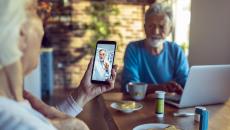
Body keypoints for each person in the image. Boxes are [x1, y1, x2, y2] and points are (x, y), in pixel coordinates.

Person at [0, 0, 117, 129]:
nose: (43, 29)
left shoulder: (11, 107)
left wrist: (83, 94)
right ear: (20, 35)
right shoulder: (20, 123)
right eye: (39, 12)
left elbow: (47, 123)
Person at [121, 3, 189, 95]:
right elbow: (129, 86)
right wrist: (160, 88)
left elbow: (185, 82)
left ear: (169, 30)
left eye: (161, 27)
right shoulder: (133, 49)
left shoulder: (176, 51)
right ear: (145, 28)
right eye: (151, 26)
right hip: (139, 105)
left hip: (170, 106)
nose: (156, 31)